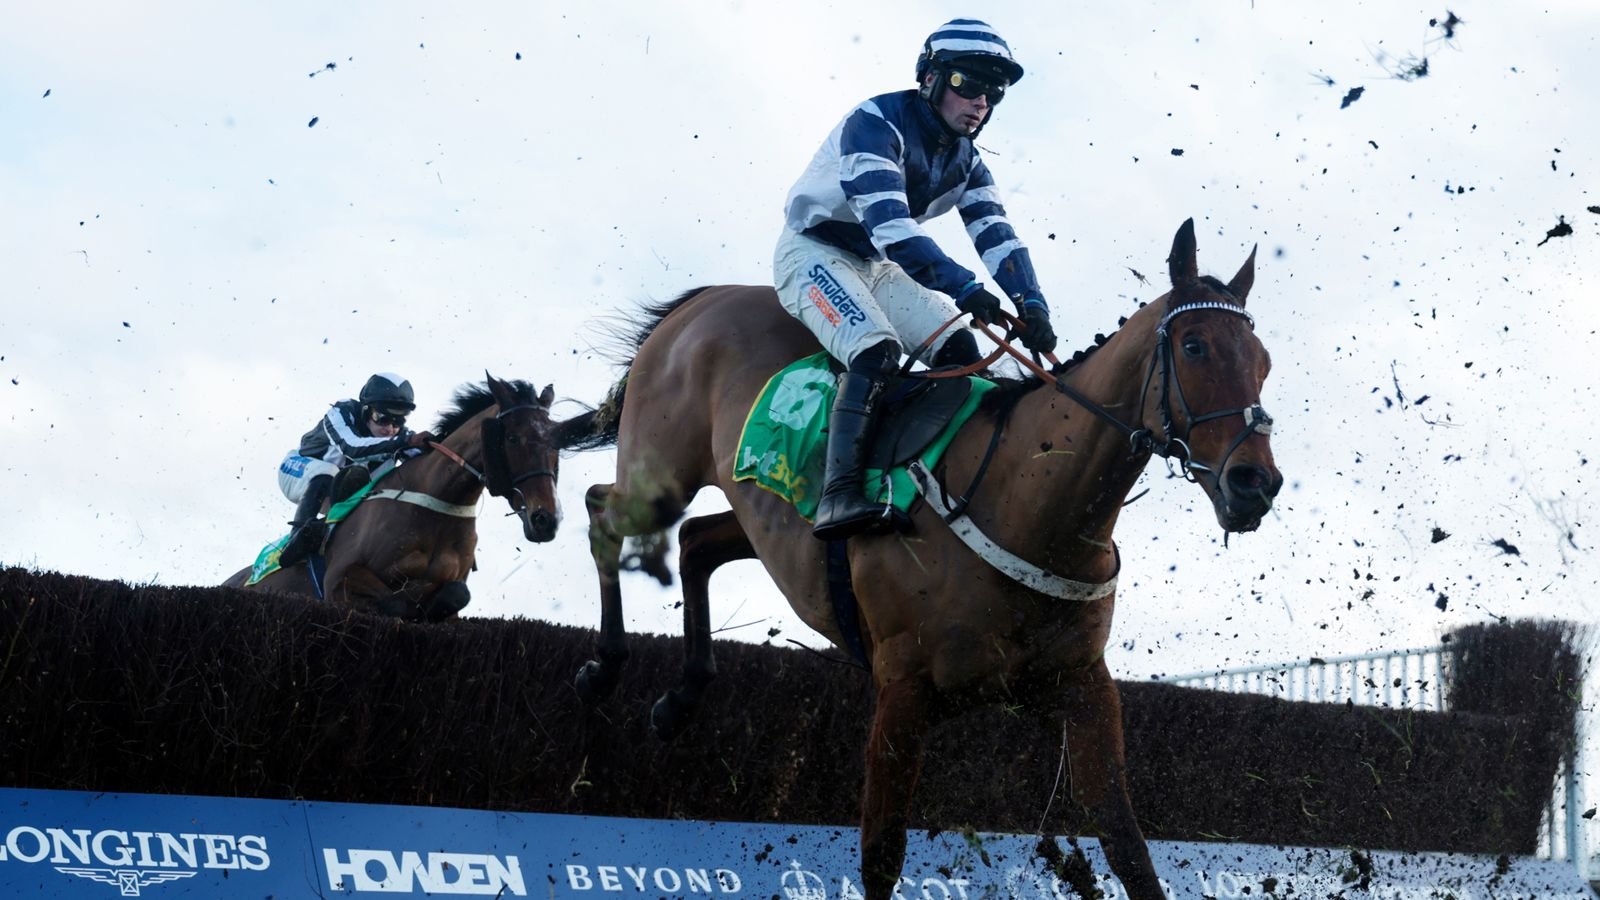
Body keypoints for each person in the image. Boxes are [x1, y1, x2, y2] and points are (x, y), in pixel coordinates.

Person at [775, 18, 1058, 540]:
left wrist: (1032, 303)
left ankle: (915, 473)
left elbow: (997, 235)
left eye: (992, 93)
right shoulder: (875, 122)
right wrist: (968, 289)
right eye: (967, 85)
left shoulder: (968, 161)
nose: (980, 103)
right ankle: (838, 495)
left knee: (963, 352)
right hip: (814, 252)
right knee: (876, 350)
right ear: (930, 78)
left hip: (878, 267)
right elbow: (892, 229)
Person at [275, 373, 434, 565]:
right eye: (382, 417)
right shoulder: (342, 412)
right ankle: (297, 536)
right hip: (298, 471)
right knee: (327, 471)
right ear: (366, 409)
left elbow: (426, 463)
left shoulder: (402, 436)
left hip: (340, 489)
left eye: (398, 421)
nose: (390, 428)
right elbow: (352, 448)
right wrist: (406, 442)